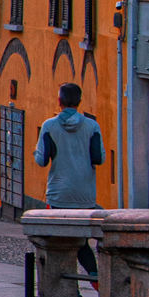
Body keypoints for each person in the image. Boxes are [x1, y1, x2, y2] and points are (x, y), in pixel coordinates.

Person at [34, 82, 105, 274]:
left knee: (62, 243)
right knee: (81, 242)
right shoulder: (92, 126)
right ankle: (95, 278)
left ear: (59, 101)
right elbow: (99, 158)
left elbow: (41, 160)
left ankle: (74, 294)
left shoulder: (49, 126)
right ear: (80, 101)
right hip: (85, 194)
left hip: (59, 194)